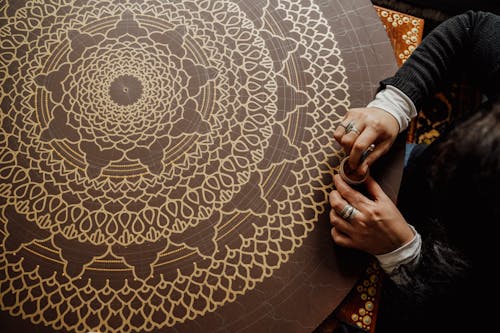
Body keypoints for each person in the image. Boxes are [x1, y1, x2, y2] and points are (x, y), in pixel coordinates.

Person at [328, 10, 500, 333]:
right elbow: (474, 29)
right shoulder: (462, 167)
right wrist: (393, 106)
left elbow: (469, 315)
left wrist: (404, 253)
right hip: (421, 176)